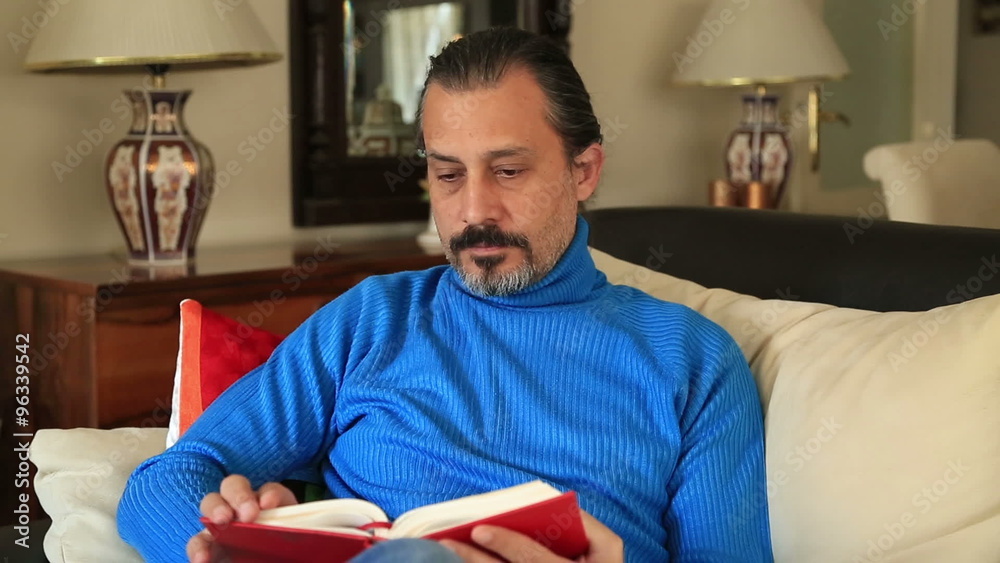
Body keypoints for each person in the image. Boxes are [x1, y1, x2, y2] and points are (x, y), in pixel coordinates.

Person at [117, 27, 773, 562]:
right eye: (448, 174)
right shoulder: (372, 321)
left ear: (584, 170)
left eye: (508, 170)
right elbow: (163, 483)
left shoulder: (693, 361)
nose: (475, 210)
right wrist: (227, 541)